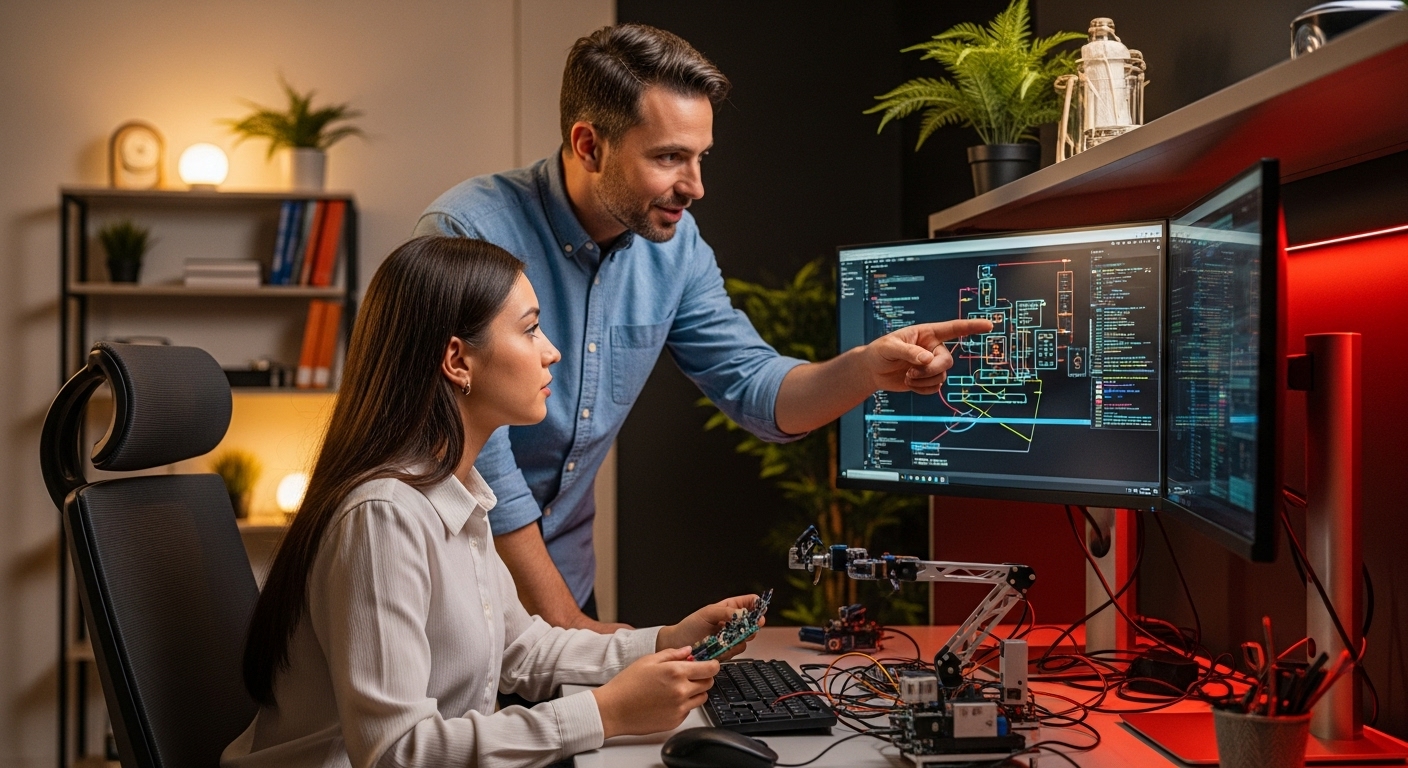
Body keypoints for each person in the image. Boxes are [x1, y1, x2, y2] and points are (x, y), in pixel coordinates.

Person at [414, 24, 992, 632]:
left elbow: (757, 389)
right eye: (668, 158)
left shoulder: (675, 247)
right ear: (589, 146)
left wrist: (867, 369)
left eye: (700, 157)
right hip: (463, 590)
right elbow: (480, 456)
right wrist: (569, 628)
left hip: (566, 586)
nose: (695, 186)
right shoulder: (465, 231)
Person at [224, 236, 759, 768]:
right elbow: (395, 752)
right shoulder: (383, 516)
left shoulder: (457, 493)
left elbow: (520, 648)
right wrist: (604, 713)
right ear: (458, 360)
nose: (551, 350)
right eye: (529, 330)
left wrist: (667, 640)